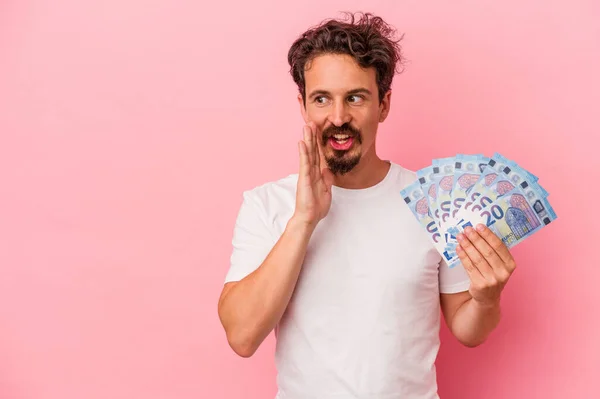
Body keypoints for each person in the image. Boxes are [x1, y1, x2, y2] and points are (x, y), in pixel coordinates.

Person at [217, 12, 517, 399]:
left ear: (384, 104)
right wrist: (304, 220)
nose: (338, 118)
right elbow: (242, 336)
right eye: (322, 99)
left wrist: (487, 297)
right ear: (303, 105)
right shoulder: (266, 204)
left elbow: (468, 329)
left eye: (355, 98)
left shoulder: (433, 201)